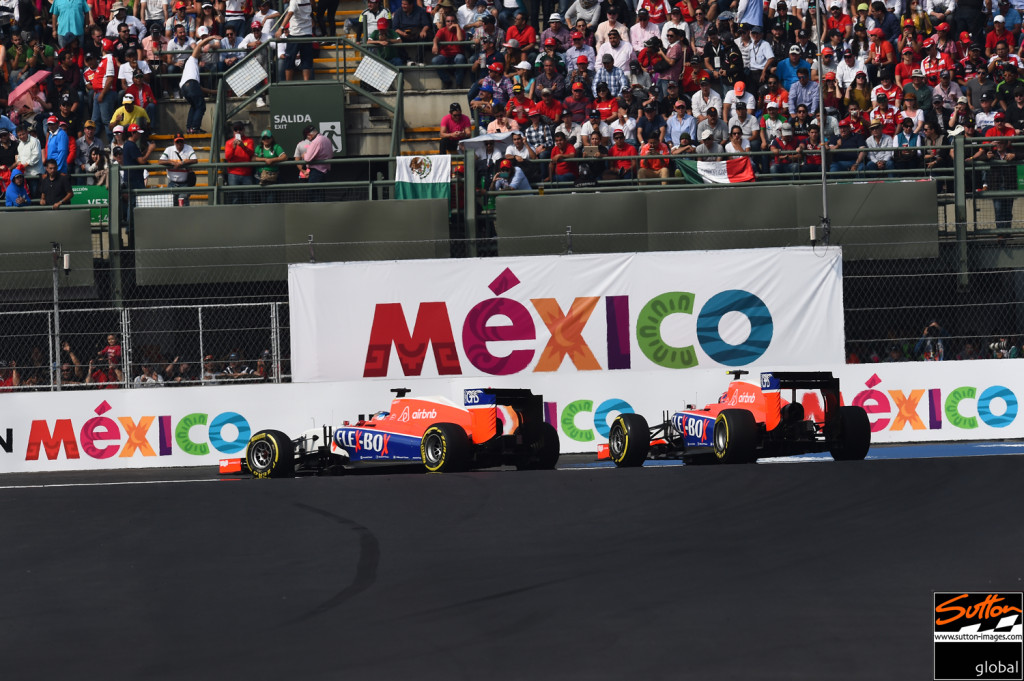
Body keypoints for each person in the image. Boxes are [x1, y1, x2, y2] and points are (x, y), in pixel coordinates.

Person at [180, 33, 220, 133]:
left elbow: (199, 88)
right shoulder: (192, 60)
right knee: (201, 106)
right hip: (191, 85)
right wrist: (212, 37)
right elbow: (198, 46)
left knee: (194, 106)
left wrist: (215, 91)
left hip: (185, 88)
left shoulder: (190, 71)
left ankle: (190, 128)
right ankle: (195, 128)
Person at [276, 0, 314, 80]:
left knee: (289, 60)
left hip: (295, 34)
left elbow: (290, 13)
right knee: (306, 61)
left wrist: (281, 28)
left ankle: (288, 85)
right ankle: (306, 83)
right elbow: (313, 5)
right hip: (307, 33)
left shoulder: (294, 1)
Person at [159, 131, 197, 205]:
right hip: (172, 183)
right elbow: (160, 161)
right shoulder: (169, 149)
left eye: (181, 141)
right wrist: (171, 162)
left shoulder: (189, 148)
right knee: (171, 204)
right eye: (177, 141)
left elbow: (195, 160)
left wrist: (182, 163)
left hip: (185, 183)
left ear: (184, 141)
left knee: (183, 201)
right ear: (174, 142)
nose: (179, 144)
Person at [432, 12, 467, 88]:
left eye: (452, 21)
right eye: (448, 21)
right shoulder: (442, 30)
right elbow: (436, 38)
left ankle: (459, 83)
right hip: (445, 55)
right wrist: (435, 45)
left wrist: (457, 27)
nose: (450, 23)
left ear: (456, 22)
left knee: (460, 58)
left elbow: (460, 39)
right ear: (445, 22)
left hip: (457, 55)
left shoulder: (460, 30)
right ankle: (447, 81)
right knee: (435, 61)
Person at [224, 121, 255, 202]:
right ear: (233, 131)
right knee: (235, 198)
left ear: (243, 130)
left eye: (240, 129)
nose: (238, 131)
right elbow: (228, 157)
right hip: (233, 173)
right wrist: (233, 148)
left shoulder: (249, 141)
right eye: (236, 129)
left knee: (249, 197)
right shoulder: (229, 142)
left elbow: (251, 153)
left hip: (246, 173)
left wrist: (243, 146)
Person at [254, 129, 287, 202]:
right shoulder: (259, 147)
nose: (266, 140)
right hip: (260, 176)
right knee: (262, 198)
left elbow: (284, 157)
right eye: (264, 138)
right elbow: (253, 158)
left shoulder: (276, 147)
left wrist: (272, 160)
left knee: (271, 198)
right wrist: (265, 160)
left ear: (271, 138)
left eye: (268, 138)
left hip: (272, 176)